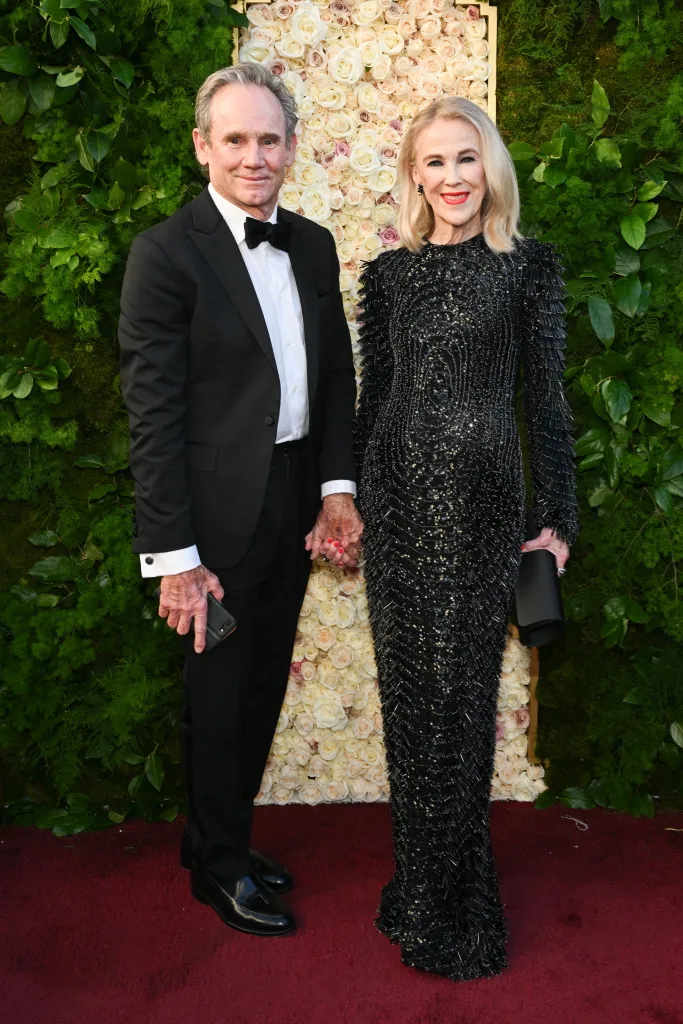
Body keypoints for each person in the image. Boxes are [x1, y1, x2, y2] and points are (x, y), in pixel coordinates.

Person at [118, 63, 362, 938]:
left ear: (291, 147)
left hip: (294, 499)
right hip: (213, 520)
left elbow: (334, 380)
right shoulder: (164, 254)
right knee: (218, 696)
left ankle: (217, 841)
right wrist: (175, 560)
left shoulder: (313, 245)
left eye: (268, 139)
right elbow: (153, 416)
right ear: (202, 147)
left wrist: (335, 490)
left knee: (260, 685)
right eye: (235, 140)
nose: (253, 157)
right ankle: (218, 867)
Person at [355, 96, 579, 981]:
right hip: (395, 506)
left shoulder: (528, 268)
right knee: (410, 707)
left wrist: (554, 521)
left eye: (465, 157)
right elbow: (374, 400)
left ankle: (457, 912)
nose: (451, 177)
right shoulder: (386, 277)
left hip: (483, 508)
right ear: (414, 176)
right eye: (434, 162)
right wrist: (349, 502)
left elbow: (545, 402)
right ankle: (418, 888)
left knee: (458, 706)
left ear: (490, 167)